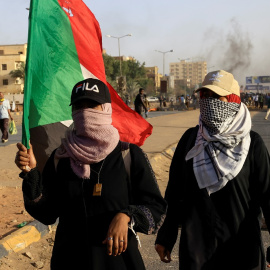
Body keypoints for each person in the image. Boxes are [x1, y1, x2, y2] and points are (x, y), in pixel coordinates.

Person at [15, 78, 167, 270]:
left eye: (92, 105)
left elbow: (156, 207)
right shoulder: (60, 158)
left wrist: (126, 216)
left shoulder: (128, 155)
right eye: (79, 106)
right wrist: (30, 172)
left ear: (105, 108)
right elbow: (47, 213)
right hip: (70, 260)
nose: (85, 112)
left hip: (118, 262)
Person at [155, 70, 270, 270]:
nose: (209, 102)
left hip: (242, 252)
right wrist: (167, 235)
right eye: (205, 96)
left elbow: (268, 197)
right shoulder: (191, 140)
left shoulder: (252, 145)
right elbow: (175, 193)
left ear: (233, 100)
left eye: (216, 96)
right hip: (197, 252)